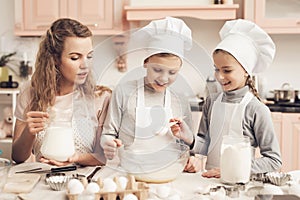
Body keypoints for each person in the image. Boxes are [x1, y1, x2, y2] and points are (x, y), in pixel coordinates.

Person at [100, 17, 202, 173]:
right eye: (157, 70)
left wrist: (193, 158)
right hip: (130, 172)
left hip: (170, 172)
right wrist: (108, 143)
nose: (163, 78)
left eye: (172, 72)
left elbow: (186, 144)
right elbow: (108, 134)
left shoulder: (180, 98)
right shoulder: (124, 91)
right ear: (146, 63)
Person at [12, 18, 111, 166]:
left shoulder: (100, 97)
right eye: (75, 57)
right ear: (55, 59)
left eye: (89, 56)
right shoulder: (30, 92)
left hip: (84, 182)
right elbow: (17, 157)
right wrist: (29, 132)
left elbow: (104, 157)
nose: (85, 65)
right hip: (42, 180)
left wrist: (75, 158)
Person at [191, 19, 282, 178]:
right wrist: (187, 138)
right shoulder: (211, 102)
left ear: (246, 70)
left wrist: (234, 169)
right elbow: (204, 145)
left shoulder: (257, 109)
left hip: (240, 185)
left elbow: (273, 160)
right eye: (216, 69)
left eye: (227, 70)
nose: (220, 77)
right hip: (208, 182)